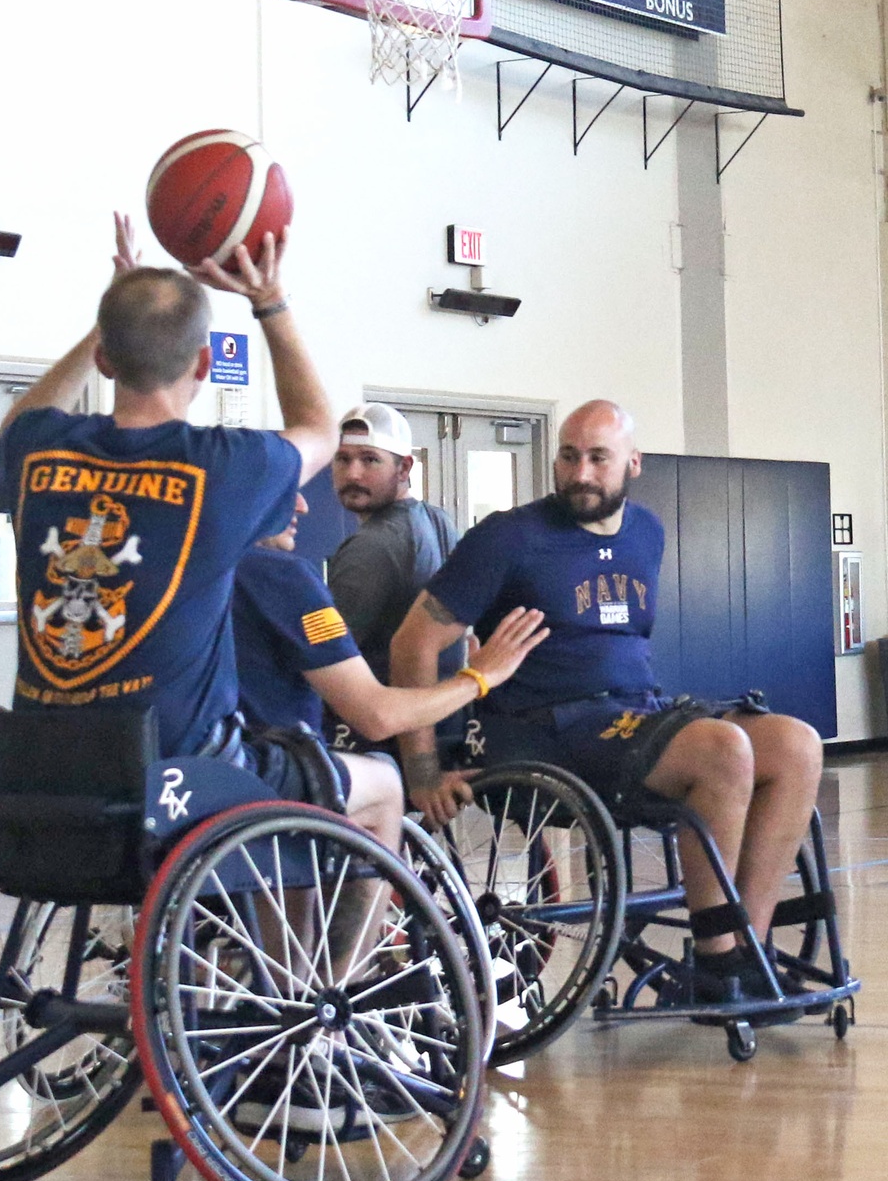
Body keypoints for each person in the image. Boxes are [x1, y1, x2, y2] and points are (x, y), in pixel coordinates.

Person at [390, 398, 824, 1004]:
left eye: (598, 457)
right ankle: (715, 960)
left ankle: (744, 944)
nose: (582, 473)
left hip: (633, 714)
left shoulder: (646, 531)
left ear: (634, 464)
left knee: (796, 745)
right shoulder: (508, 538)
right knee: (721, 751)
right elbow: (414, 643)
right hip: (541, 729)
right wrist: (423, 766)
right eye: (569, 456)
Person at [0, 213, 337, 770]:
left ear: (104, 358)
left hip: (40, 764)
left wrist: (116, 316)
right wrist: (270, 301)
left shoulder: (37, 447)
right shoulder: (224, 465)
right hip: (180, 767)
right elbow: (321, 429)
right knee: (382, 784)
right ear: (204, 362)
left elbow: (18, 421)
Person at [233, 488, 548, 856]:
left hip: (183, 771)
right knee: (383, 780)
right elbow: (376, 716)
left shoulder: (179, 569)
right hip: (257, 774)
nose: (302, 503)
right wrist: (480, 677)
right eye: (282, 489)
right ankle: (366, 918)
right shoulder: (284, 577)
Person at [327, 402, 464, 760]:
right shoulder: (435, 520)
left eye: (370, 459)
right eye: (343, 459)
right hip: (437, 722)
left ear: (404, 467)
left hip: (379, 733)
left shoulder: (372, 546)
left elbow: (329, 653)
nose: (353, 473)